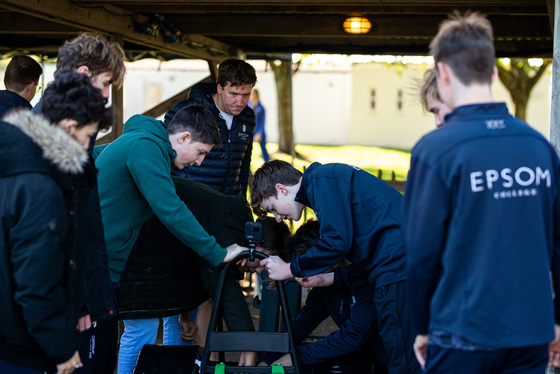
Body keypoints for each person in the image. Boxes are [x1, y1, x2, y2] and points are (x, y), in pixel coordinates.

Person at [402, 12, 560, 373]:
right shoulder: (539, 148)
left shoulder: (435, 150)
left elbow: (419, 255)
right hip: (529, 332)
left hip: (461, 330)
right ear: (492, 73)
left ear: (442, 73)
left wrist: (422, 327)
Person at [250, 160, 421, 373]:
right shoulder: (325, 182)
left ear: (281, 189)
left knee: (402, 354)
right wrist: (326, 279)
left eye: (273, 208)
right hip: (392, 264)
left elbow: (337, 241)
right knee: (401, 350)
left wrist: (290, 268)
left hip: (397, 264)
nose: (277, 217)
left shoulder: (321, 180)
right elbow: (357, 261)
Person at [0, 71, 112, 374]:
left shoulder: (13, 160)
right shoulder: (40, 187)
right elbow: (35, 282)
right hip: (23, 346)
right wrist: (61, 350)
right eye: (89, 136)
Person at [116, 176, 256, 374]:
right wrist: (248, 341)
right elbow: (218, 282)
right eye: (260, 263)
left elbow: (190, 261)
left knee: (151, 326)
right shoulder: (228, 224)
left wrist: (184, 312)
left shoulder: (231, 218)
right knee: (141, 328)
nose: (258, 271)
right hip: (139, 249)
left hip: (155, 253)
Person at [248, 218, 388, 373]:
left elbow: (352, 337)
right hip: (371, 360)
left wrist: (296, 357)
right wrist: (267, 360)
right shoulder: (323, 289)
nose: (308, 280)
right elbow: (300, 326)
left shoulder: (367, 282)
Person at [164, 57, 257, 197]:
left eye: (246, 95)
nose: (240, 102)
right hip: (190, 201)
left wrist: (241, 202)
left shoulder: (248, 117)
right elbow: (163, 159)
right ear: (220, 88)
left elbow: (244, 166)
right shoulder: (185, 111)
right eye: (233, 94)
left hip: (227, 204)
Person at [33, 32, 125, 113]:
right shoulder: (43, 126)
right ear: (83, 74)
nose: (106, 95)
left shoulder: (77, 116)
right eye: (105, 84)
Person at [249, 88, 270, 162]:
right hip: (251, 131)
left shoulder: (261, 107)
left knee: (264, 150)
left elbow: (262, 122)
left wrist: (259, 133)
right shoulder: (249, 105)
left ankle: (267, 164)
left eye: (253, 94)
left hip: (259, 132)